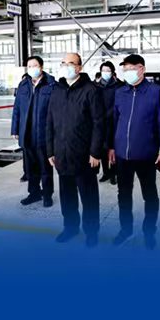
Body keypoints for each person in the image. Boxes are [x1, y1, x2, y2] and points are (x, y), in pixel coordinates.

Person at [109, 54, 160, 250]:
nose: (127, 72)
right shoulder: (120, 92)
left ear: (141, 69)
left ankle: (149, 231)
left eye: (131, 68)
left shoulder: (156, 92)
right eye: (125, 69)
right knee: (123, 195)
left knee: (150, 195)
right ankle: (126, 230)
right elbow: (114, 121)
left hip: (146, 154)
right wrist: (111, 147)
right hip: (123, 155)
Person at [46, 53, 105, 247]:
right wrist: (50, 150)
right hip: (62, 154)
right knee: (67, 197)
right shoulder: (56, 90)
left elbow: (99, 123)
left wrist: (95, 152)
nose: (67, 66)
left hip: (84, 156)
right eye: (64, 63)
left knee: (89, 198)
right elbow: (49, 122)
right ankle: (70, 228)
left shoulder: (91, 90)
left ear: (79, 67)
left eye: (71, 63)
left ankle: (91, 232)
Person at [11, 56, 56, 208]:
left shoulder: (51, 84)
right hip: (27, 134)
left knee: (45, 168)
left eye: (35, 65)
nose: (32, 68)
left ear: (41, 67)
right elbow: (17, 108)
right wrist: (15, 128)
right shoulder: (23, 85)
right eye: (29, 66)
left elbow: (56, 111)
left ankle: (47, 195)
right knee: (30, 168)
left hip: (43, 134)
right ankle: (34, 193)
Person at [95, 60, 123, 185]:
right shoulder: (96, 86)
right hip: (100, 121)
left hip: (114, 121)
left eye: (108, 70)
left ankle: (114, 173)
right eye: (103, 70)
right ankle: (106, 172)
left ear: (112, 72)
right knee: (102, 149)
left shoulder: (119, 86)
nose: (105, 72)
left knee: (113, 148)